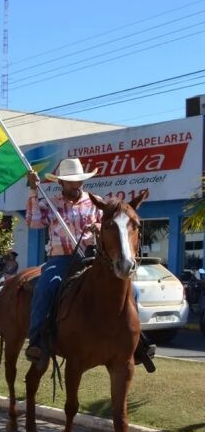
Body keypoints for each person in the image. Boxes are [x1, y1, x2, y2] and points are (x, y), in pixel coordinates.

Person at [24, 157, 154, 371]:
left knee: (134, 291)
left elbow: (108, 225)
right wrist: (33, 192)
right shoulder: (51, 203)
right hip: (61, 259)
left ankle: (136, 341)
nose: (76, 185)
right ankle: (37, 340)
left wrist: (97, 226)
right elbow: (33, 222)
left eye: (79, 181)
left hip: (90, 256)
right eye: (71, 181)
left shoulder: (94, 201)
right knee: (45, 287)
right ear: (61, 183)